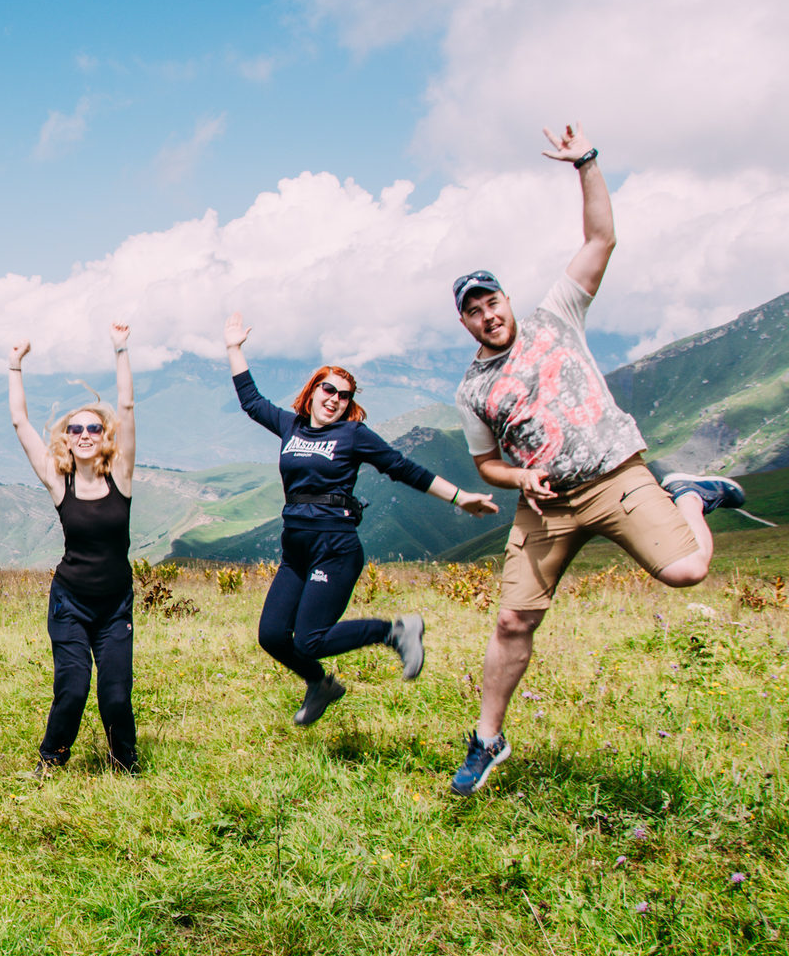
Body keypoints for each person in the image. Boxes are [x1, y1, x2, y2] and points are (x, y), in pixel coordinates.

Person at [449, 122, 746, 796]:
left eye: (491, 300)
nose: (488, 314)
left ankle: (691, 495)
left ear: (507, 299)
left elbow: (600, 239)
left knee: (688, 570)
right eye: (473, 310)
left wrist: (585, 163)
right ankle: (486, 740)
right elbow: (486, 467)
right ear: (464, 323)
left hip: (617, 479)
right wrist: (521, 475)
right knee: (512, 619)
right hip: (546, 507)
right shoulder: (472, 388)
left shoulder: (558, 314)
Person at [222, 313, 499, 726]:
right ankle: (321, 685)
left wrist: (460, 497)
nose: (335, 398)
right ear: (313, 390)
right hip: (295, 549)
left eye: (344, 395)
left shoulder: (354, 435)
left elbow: (405, 468)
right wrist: (233, 348)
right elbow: (251, 401)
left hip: (334, 549)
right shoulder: (290, 425)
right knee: (272, 636)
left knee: (311, 639)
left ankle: (394, 632)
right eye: (328, 389)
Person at [8, 324, 140, 776]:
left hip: (115, 602)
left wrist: (121, 349)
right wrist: (15, 364)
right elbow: (20, 423)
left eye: (93, 428)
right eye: (74, 429)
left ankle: (125, 763)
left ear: (105, 436)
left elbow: (125, 405)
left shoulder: (120, 475)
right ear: (65, 438)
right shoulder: (57, 480)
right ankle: (52, 758)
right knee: (73, 686)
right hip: (69, 602)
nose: (84, 434)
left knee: (116, 692)